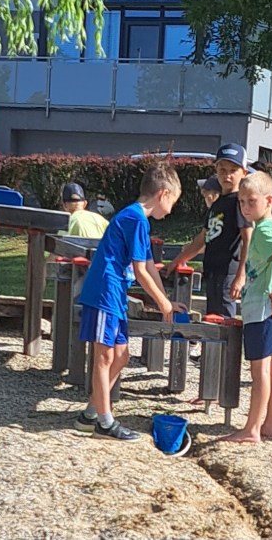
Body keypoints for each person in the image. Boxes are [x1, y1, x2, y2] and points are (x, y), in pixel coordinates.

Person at [73, 163, 185, 442]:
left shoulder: (139, 220)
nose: (171, 210)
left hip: (116, 293)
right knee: (104, 357)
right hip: (105, 289)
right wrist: (162, 304)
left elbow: (149, 265)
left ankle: (90, 414)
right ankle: (105, 423)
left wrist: (167, 301)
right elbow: (140, 271)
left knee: (121, 356)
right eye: (173, 202)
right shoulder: (136, 218)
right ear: (163, 194)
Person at [221, 171, 272, 443]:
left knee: (260, 371)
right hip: (270, 307)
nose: (245, 207)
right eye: (241, 202)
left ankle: (252, 428)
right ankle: (270, 424)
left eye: (251, 201)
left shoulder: (264, 230)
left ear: (269, 200)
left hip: (262, 308)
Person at [165, 143, 252, 318]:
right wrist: (176, 261)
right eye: (222, 170)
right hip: (212, 271)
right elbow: (202, 238)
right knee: (212, 318)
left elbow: (248, 238)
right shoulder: (218, 203)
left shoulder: (239, 203)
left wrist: (241, 275)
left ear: (244, 173)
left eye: (233, 170)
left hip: (228, 273)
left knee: (223, 321)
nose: (227, 175)